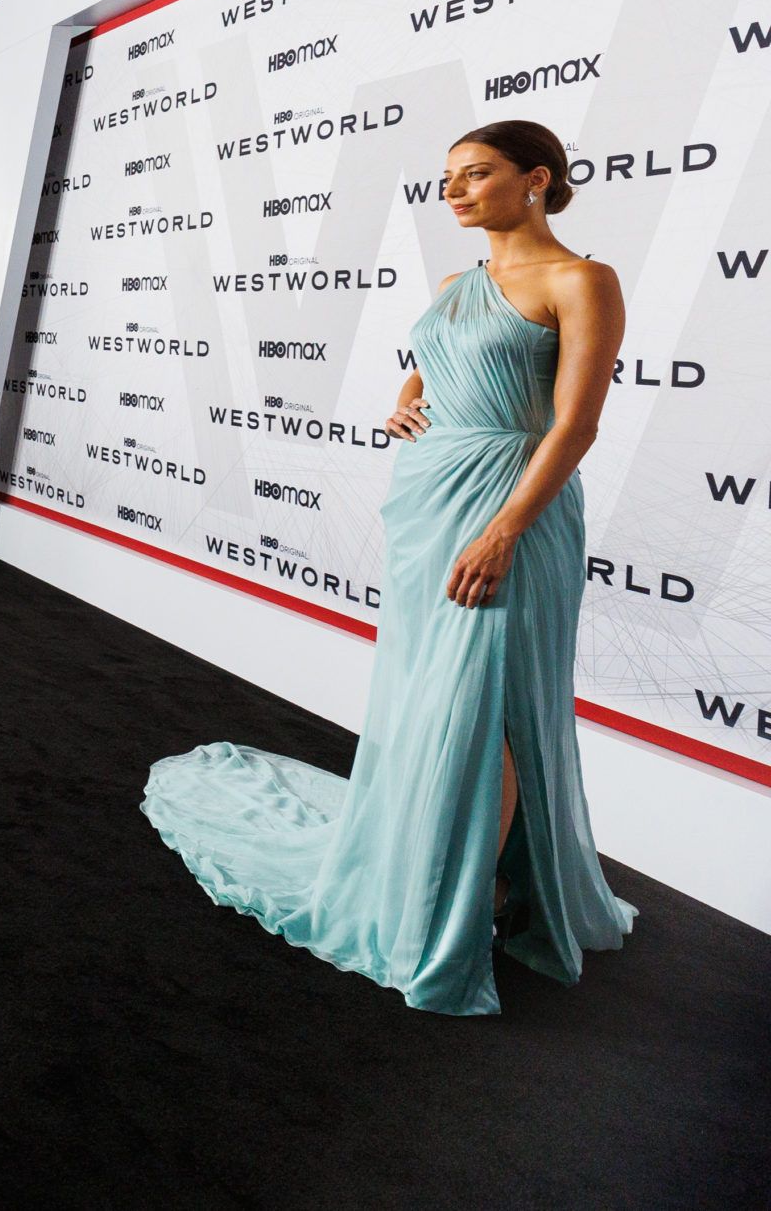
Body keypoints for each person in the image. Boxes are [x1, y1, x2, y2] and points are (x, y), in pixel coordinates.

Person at [142, 120, 637, 1016]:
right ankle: (450, 883)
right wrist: (408, 402)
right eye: (447, 178)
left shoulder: (581, 279)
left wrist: (503, 532)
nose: (454, 191)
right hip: (428, 505)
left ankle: (452, 904)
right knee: (428, 693)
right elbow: (433, 366)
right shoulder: (458, 283)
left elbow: (574, 426)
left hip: (510, 511)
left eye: (476, 174)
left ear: (536, 179)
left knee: (487, 702)